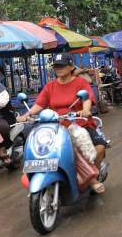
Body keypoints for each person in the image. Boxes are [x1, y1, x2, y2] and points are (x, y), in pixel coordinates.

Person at [17, 54, 107, 193]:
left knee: (99, 147)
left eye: (62, 66)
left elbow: (86, 98)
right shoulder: (50, 86)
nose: (58, 69)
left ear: (71, 67)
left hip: (79, 124)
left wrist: (85, 110)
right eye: (56, 66)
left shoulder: (80, 83)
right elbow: (39, 105)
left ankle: (91, 178)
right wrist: (26, 115)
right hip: (55, 127)